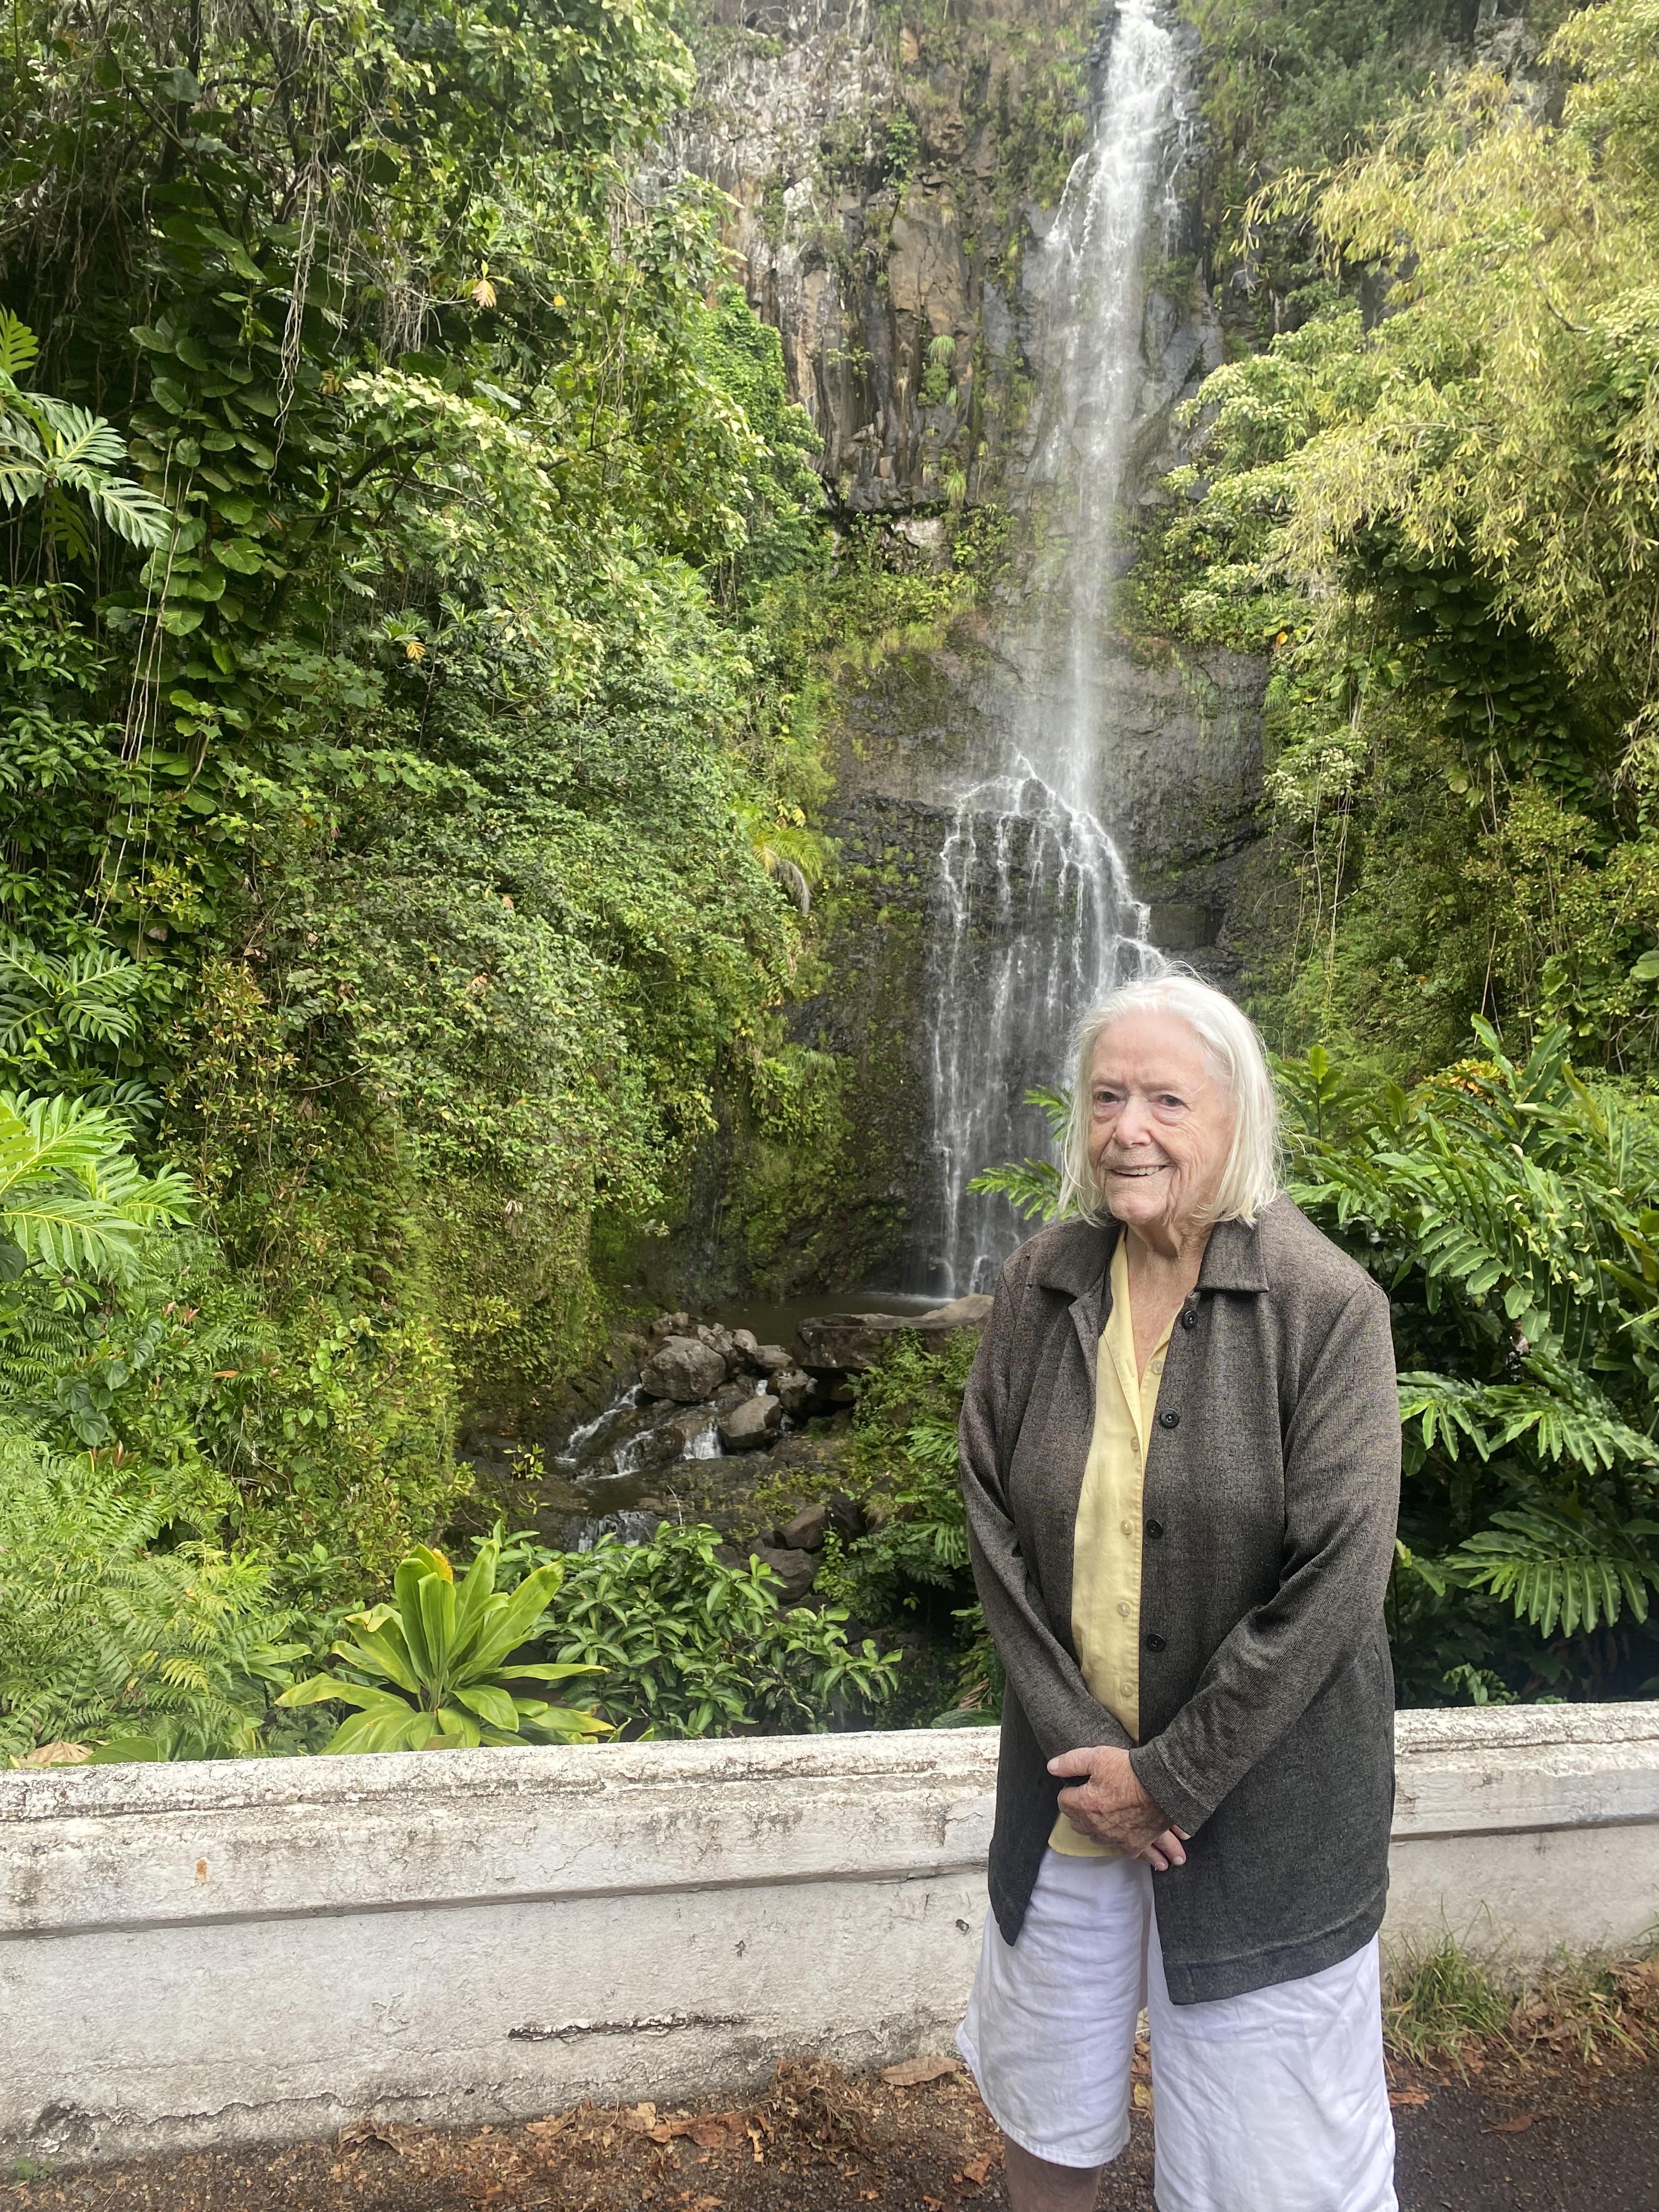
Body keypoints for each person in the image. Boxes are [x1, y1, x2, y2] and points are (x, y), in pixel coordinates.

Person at [955, 970, 1401, 2212]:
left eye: (1165, 1099)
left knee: (1278, 2165)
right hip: (1065, 1799)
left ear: (1237, 1119)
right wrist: (1095, 1754)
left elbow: (1340, 1576)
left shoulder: (1327, 1308)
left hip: (1265, 1821)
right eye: (1106, 1097)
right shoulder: (1043, 1281)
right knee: (1048, 2108)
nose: (1127, 1129)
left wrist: (1171, 1775)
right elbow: (991, 1519)